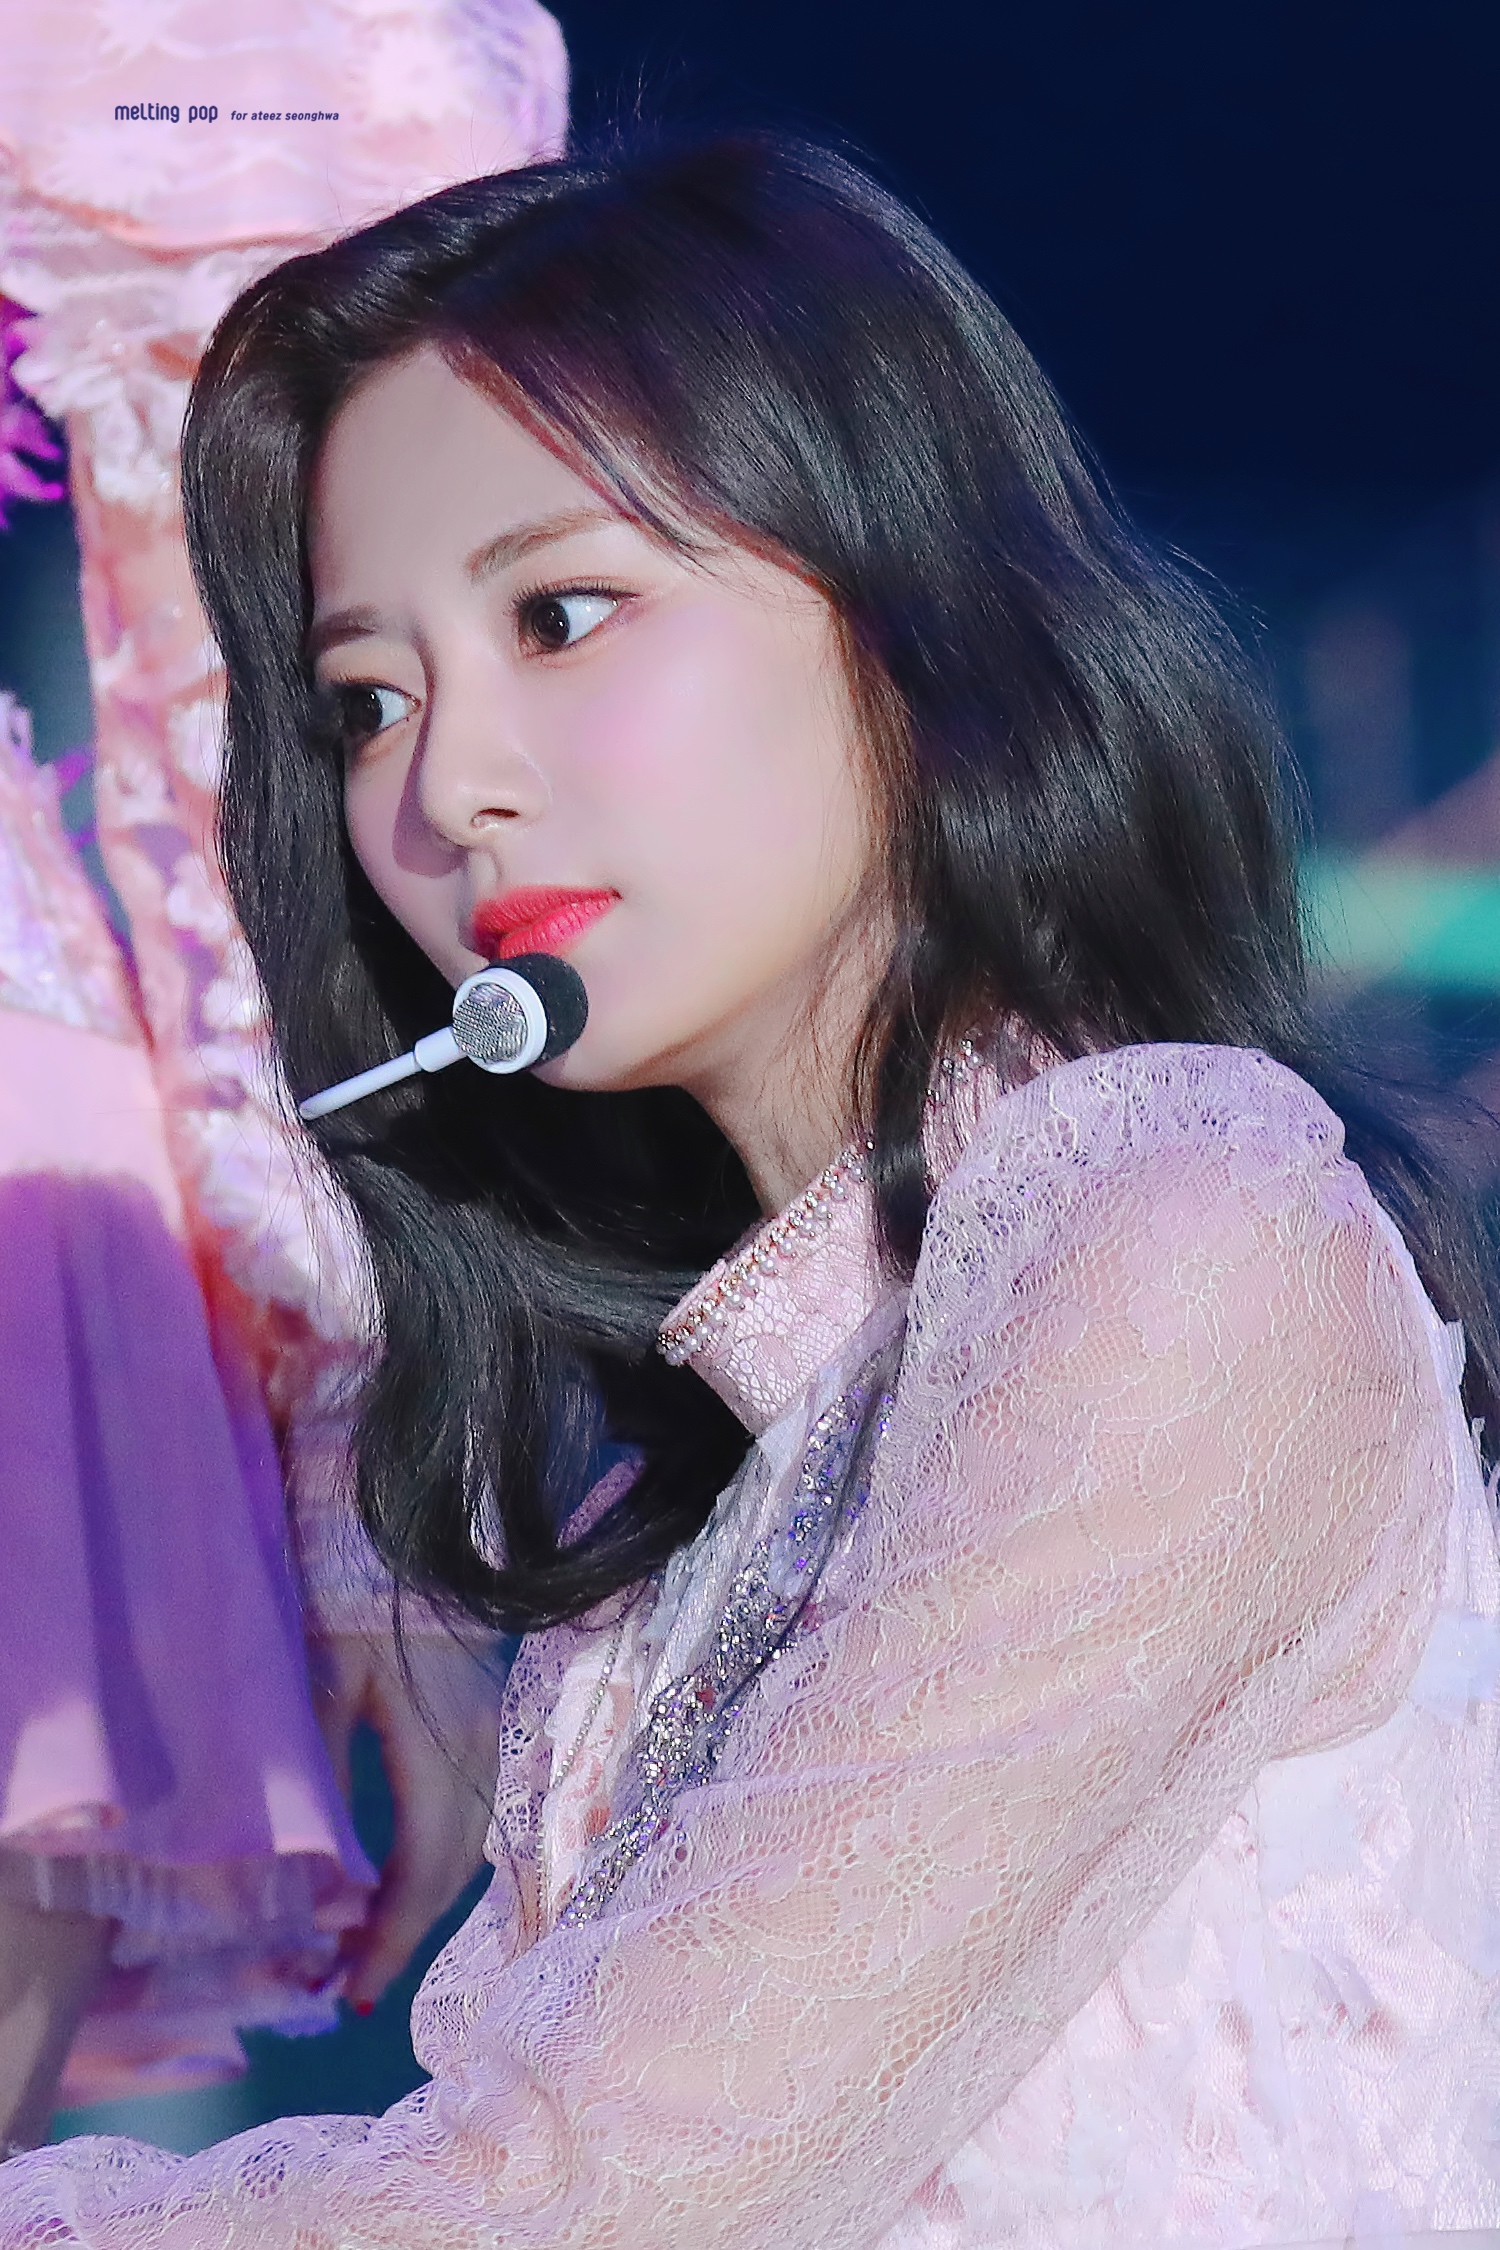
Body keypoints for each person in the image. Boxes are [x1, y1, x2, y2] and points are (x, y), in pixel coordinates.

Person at [3, 131, 1498, 2248]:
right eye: (366, 703)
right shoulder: (683, 1497)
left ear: (900, 600)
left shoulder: (1183, 1231)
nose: (449, 786)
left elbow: (610, 2193)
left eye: (561, 614)